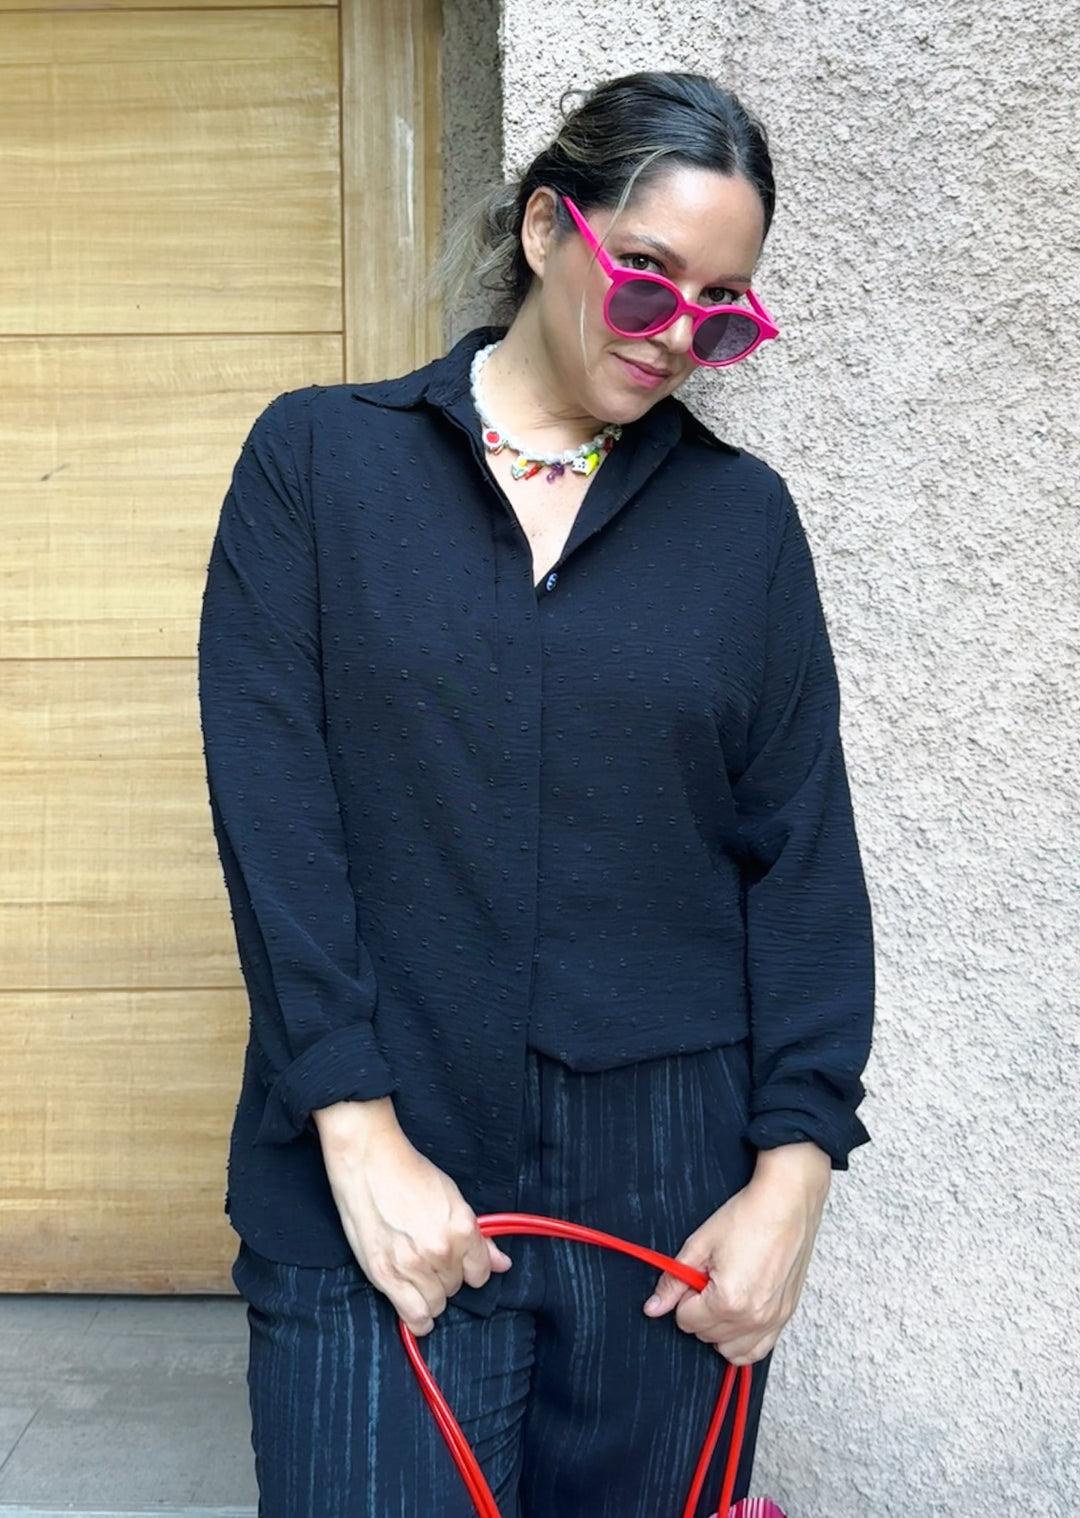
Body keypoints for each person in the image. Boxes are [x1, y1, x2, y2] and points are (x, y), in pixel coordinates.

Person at [199, 69, 873, 1518]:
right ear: (548, 228)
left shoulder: (743, 526)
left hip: (671, 1207)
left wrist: (793, 1181)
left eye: (724, 308)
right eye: (648, 276)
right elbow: (276, 821)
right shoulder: (317, 467)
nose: (677, 333)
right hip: (379, 1163)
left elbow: (803, 862)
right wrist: (357, 1132)